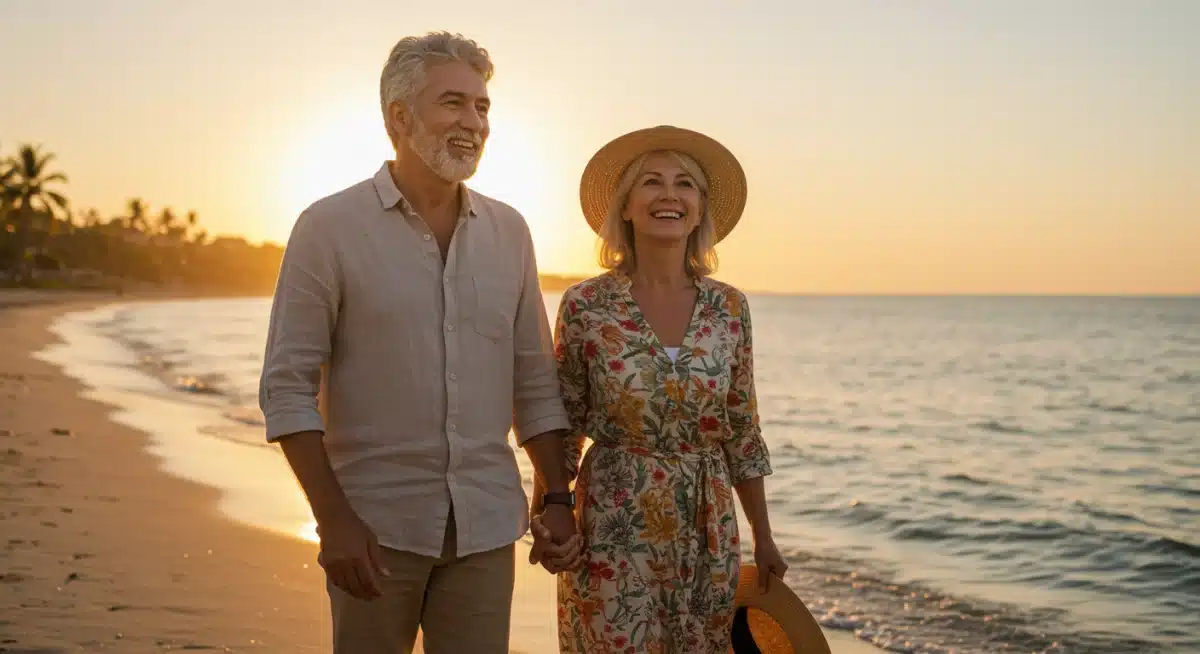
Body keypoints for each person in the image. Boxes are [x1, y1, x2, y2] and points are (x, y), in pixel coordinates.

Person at [258, 31, 580, 653]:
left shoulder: (510, 232)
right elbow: (286, 388)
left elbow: (534, 382)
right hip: (374, 532)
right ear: (399, 117)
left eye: (483, 107)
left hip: (486, 528)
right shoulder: (327, 228)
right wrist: (334, 521)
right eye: (453, 103)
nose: (473, 123)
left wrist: (558, 497)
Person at [529, 125, 788, 653]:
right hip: (613, 518)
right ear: (625, 207)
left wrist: (763, 535)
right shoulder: (586, 305)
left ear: (699, 211)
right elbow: (563, 421)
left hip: (708, 524)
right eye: (651, 182)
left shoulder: (729, 308)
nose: (669, 194)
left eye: (685, 184)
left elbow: (742, 429)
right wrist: (552, 512)